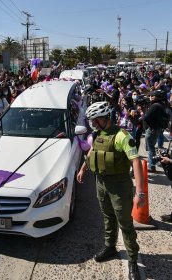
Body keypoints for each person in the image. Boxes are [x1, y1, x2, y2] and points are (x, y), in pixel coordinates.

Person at [77, 102, 144, 280]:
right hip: (101, 183)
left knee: (125, 224)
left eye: (95, 120)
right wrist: (84, 168)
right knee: (107, 217)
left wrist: (140, 192)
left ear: (106, 118)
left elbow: (135, 161)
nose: (93, 123)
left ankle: (132, 260)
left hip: (119, 186)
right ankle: (110, 247)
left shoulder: (122, 136)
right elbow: (93, 151)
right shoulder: (98, 133)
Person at [142, 90, 169, 172]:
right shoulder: (161, 105)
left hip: (152, 129)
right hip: (157, 129)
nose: (150, 97)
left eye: (152, 96)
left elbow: (146, 117)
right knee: (151, 147)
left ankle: (152, 165)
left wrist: (142, 113)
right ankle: (152, 162)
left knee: (151, 148)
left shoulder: (155, 106)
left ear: (156, 97)